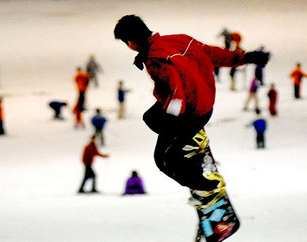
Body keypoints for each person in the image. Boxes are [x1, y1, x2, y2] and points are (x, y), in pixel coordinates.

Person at [114, 15, 269, 198]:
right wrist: (247, 57)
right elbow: (211, 53)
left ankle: (204, 185)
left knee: (164, 160)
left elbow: (176, 85)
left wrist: (175, 116)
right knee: (150, 117)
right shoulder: (180, 39)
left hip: (191, 112)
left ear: (131, 43)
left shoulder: (156, 59)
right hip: (205, 102)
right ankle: (186, 142)